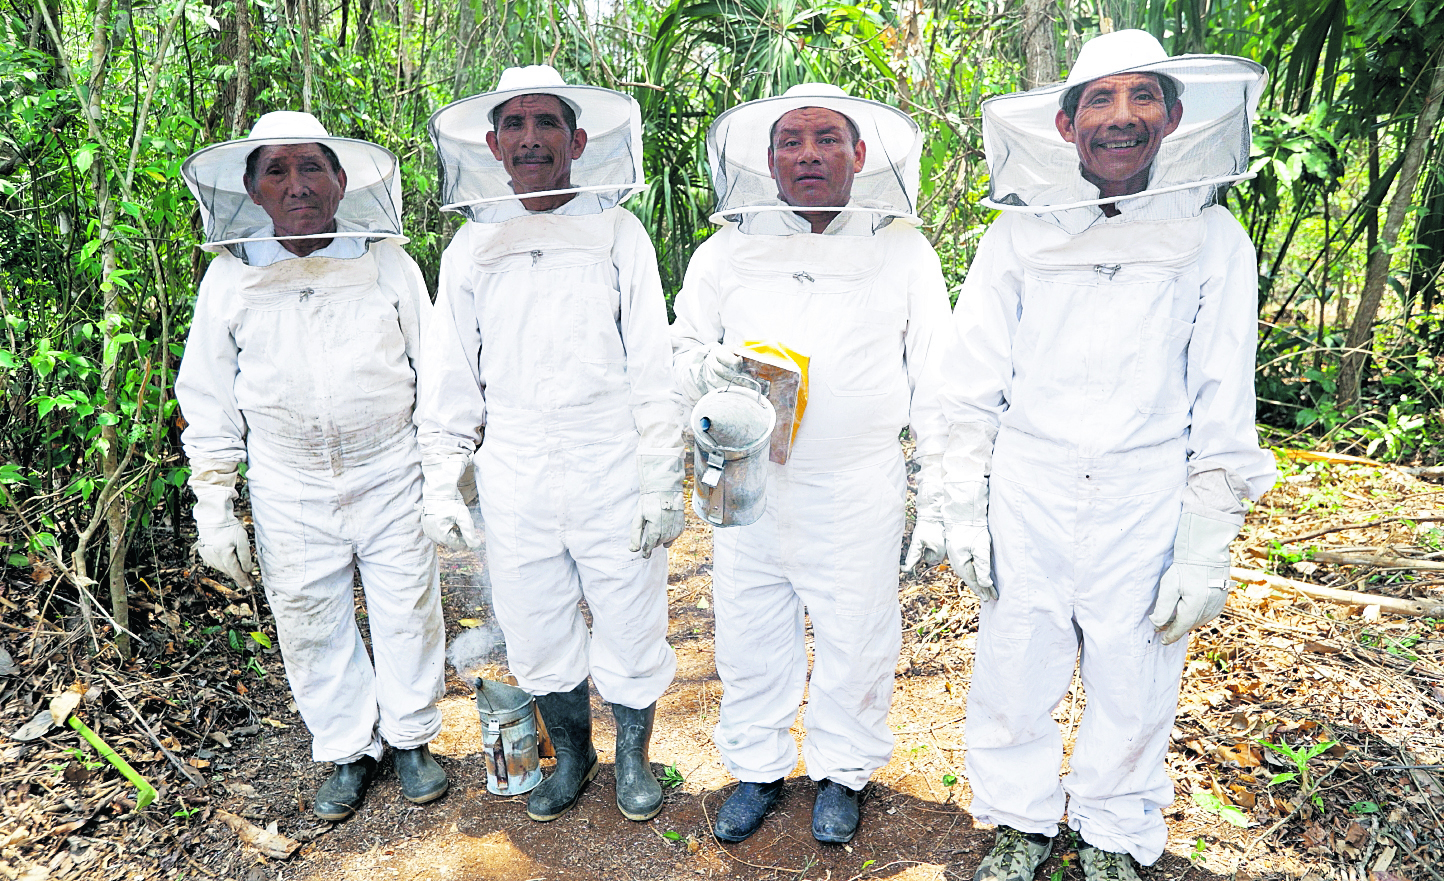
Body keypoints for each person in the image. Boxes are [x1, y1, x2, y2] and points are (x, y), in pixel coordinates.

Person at [907, 31, 1278, 879]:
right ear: (1067, 126)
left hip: (1147, 488)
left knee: (1134, 667)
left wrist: (1206, 539)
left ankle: (1113, 829)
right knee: (1016, 656)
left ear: (1174, 116)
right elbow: (969, 382)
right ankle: (1020, 819)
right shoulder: (1018, 234)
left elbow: (1224, 397)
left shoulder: (1214, 237)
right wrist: (957, 500)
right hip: (1030, 484)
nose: (1122, 118)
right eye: (1099, 102)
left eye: (1141, 97)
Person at [672, 84, 950, 845]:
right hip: (747, 475)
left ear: (861, 154)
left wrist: (947, 492)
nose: (809, 155)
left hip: (856, 482)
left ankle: (842, 771)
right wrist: (711, 370)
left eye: (828, 139)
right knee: (750, 627)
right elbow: (680, 349)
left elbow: (938, 377)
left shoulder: (902, 249)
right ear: (768, 160)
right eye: (791, 141)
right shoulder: (725, 250)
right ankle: (758, 766)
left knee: (857, 632)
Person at [419, 66, 682, 823]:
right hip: (516, 464)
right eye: (515, 125)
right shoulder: (471, 246)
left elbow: (651, 369)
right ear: (494, 145)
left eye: (546, 123)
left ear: (578, 139)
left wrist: (661, 474)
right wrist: (442, 477)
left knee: (630, 611)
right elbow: (450, 379)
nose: (530, 138)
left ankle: (632, 755)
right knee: (536, 619)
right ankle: (574, 754)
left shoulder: (617, 231)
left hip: (610, 455)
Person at [176, 112, 447, 822]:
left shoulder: (388, 262)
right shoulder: (229, 277)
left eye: (311, 168)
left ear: (341, 180)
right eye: (277, 171)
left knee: (407, 603)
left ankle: (413, 735)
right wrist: (215, 506)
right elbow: (206, 395)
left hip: (391, 465)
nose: (297, 186)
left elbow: (436, 371)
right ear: (251, 188)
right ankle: (346, 747)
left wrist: (446, 469)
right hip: (286, 479)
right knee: (308, 616)